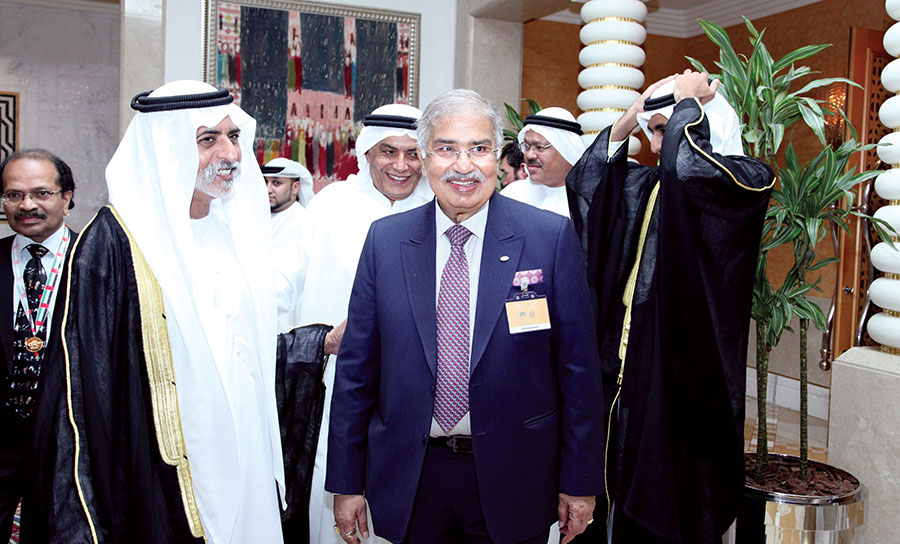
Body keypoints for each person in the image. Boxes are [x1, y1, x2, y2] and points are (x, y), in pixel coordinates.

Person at [37, 81, 337, 544]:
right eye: (207, 140)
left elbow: (238, 350)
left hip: (243, 450)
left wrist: (317, 344)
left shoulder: (230, 230)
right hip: (167, 467)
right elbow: (88, 384)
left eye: (233, 137)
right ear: (168, 148)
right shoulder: (115, 242)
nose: (230, 154)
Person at [327, 89, 604, 544]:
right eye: (447, 149)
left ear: (497, 156)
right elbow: (356, 373)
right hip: (412, 477)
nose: (463, 165)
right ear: (425, 157)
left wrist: (580, 482)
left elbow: (578, 372)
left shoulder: (549, 238)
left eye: (478, 148)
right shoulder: (385, 241)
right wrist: (346, 482)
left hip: (517, 476)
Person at [566, 70, 775, 543]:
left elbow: (692, 171)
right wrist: (628, 120)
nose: (658, 145)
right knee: (606, 495)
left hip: (679, 381)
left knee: (661, 509)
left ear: (704, 122)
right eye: (654, 132)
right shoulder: (645, 184)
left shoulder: (744, 180)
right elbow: (588, 183)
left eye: (666, 130)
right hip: (621, 370)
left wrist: (688, 105)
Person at [302, 103, 433, 544]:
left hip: (417, 390)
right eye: (388, 152)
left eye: (413, 154)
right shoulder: (331, 206)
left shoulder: (440, 209)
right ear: (367, 153)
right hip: (339, 383)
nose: (401, 165)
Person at [0, 149, 76, 542]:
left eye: (41, 193)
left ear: (67, 197)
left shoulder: (95, 263)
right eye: (14, 195)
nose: (27, 205)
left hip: (70, 437)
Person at [502, 107, 585, 218]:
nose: (529, 155)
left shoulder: (589, 202)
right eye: (527, 146)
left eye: (540, 147)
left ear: (566, 150)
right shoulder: (512, 194)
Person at [263, 157, 313, 331]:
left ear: (295, 187)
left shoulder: (304, 223)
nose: (268, 189)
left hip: (286, 324)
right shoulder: (257, 218)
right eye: (265, 182)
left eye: (276, 183)